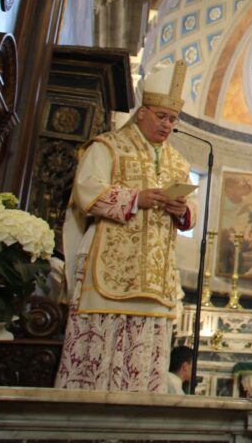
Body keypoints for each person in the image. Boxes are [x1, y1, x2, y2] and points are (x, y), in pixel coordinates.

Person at [55, 60, 196, 392]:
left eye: (173, 119)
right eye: (162, 116)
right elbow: (87, 191)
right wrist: (136, 199)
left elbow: (191, 213)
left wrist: (182, 209)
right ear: (143, 112)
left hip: (156, 275)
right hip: (110, 266)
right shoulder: (108, 146)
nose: (167, 125)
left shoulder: (178, 161)